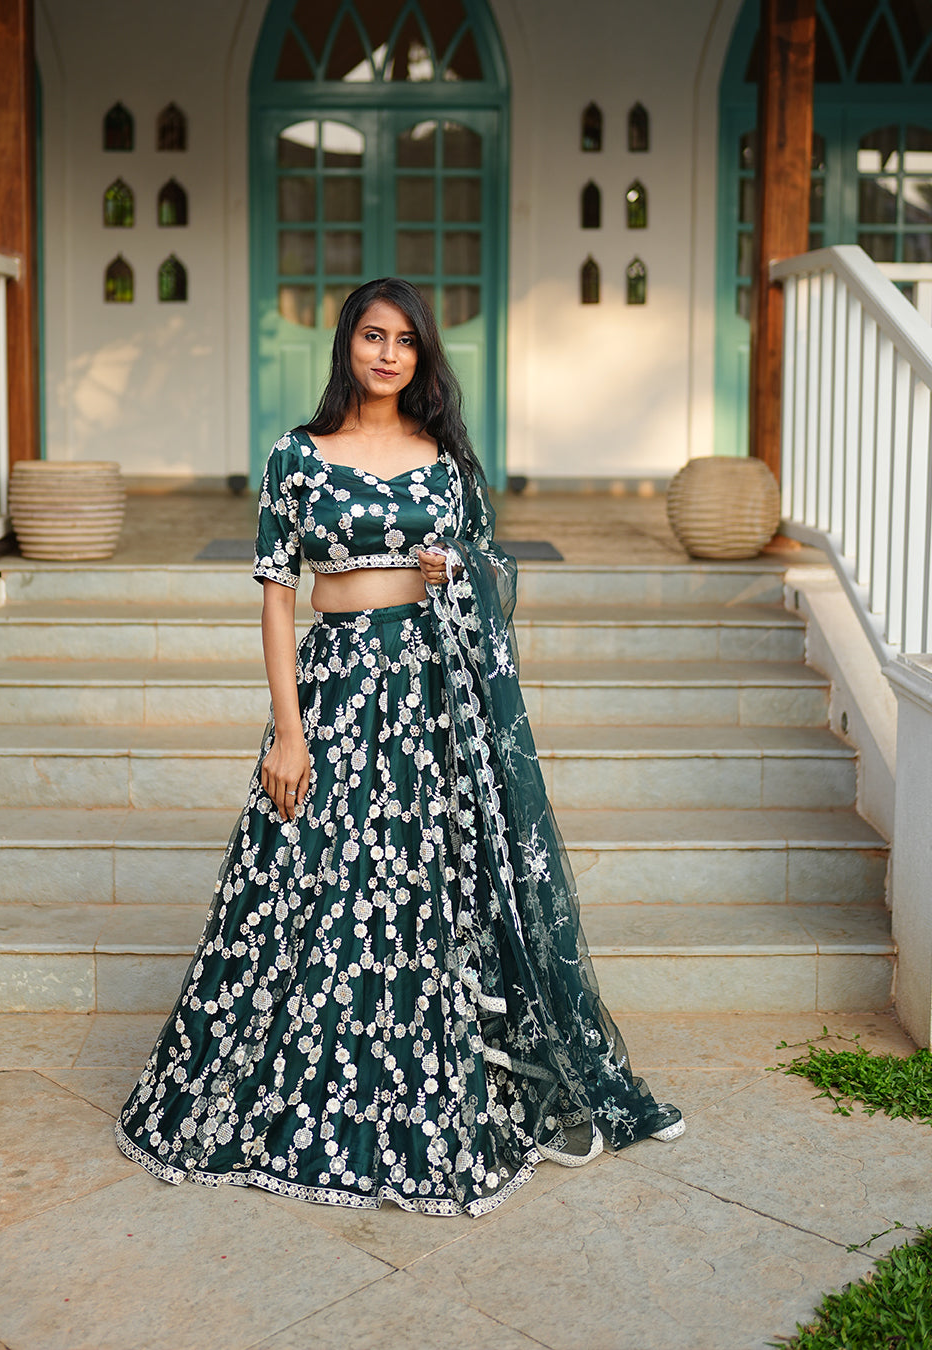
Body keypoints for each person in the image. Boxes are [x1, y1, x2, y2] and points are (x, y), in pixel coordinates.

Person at [115, 278, 683, 1217]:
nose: (388, 354)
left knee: (423, 886)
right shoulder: (297, 456)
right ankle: (295, 1086)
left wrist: (455, 567)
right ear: (348, 343)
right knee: (304, 879)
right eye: (374, 336)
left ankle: (423, 1080)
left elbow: (492, 573)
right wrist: (288, 731)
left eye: (407, 341)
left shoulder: (445, 461)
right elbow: (277, 599)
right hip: (335, 689)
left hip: (431, 695)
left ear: (422, 356)